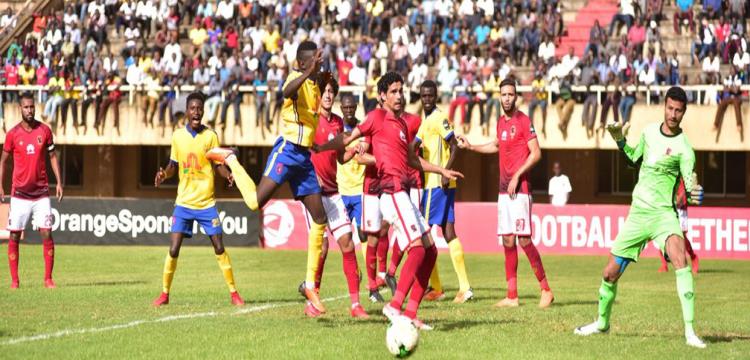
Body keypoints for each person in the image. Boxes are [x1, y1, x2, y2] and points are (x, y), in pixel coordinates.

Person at [316, 71, 463, 330]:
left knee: (430, 251)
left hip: (403, 192)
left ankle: (411, 313)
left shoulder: (403, 125)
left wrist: (441, 170)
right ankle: (395, 306)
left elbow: (411, 160)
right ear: (382, 95)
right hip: (391, 193)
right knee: (417, 249)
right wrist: (320, 148)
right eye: (394, 91)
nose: (399, 96)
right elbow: (347, 138)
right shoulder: (376, 117)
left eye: (401, 90)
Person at [574, 87, 707, 349]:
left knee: (680, 258)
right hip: (638, 213)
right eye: (670, 108)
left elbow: (690, 180)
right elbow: (633, 161)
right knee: (609, 273)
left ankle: (691, 332)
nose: (673, 114)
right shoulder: (648, 132)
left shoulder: (684, 148)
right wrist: (620, 141)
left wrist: (695, 192)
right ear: (665, 107)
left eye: (678, 110)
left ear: (684, 112)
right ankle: (602, 323)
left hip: (663, 216)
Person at [204, 41, 330, 315]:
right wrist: (309, 72)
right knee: (255, 202)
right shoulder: (295, 79)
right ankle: (232, 159)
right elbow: (286, 91)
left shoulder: (316, 83)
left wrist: (321, 74)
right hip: (287, 151)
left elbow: (323, 93)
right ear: (302, 63)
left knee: (320, 219)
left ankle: (311, 285)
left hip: (304, 159)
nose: (319, 63)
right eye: (314, 60)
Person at [457, 78, 554, 308]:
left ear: (516, 97)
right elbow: (495, 146)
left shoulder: (523, 121)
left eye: (511, 94)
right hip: (503, 191)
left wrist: (519, 175)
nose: (507, 98)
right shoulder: (501, 122)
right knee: (508, 241)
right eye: (504, 94)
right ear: (499, 97)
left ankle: (546, 290)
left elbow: (536, 153)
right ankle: (512, 296)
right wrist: (471, 146)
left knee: (524, 239)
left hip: (520, 190)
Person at [151, 92, 244, 307]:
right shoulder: (177, 136)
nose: (196, 112)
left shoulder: (211, 136)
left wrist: (228, 175)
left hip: (206, 203)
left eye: (199, 108)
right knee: (173, 249)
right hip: (183, 203)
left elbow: (218, 165)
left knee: (219, 246)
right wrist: (164, 175)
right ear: (186, 112)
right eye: (193, 108)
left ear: (203, 111)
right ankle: (164, 294)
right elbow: (173, 166)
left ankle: (234, 293)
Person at [297, 76, 368, 318]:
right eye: (324, 91)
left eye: (331, 92)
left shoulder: (338, 123)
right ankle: (313, 300)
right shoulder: (308, 119)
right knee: (323, 246)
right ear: (317, 94)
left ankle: (356, 305)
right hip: (313, 194)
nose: (327, 95)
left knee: (347, 244)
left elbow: (340, 157)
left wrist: (354, 150)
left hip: (334, 192)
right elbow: (299, 153)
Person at [416, 80, 474, 304]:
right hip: (442, 184)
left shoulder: (438, 118)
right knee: (449, 232)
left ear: (436, 96)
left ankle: (436, 287)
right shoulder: (427, 121)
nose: (427, 99)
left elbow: (455, 145)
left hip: (436, 185)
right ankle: (464, 287)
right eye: (424, 95)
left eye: (430, 95)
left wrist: (444, 171)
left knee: (423, 234)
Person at [0, 92, 63, 289]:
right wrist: (0, 185)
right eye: (26, 107)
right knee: (14, 236)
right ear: (20, 108)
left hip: (41, 193)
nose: (29, 110)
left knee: (47, 233)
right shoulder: (12, 134)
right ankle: (15, 281)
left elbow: (53, 157)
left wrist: (59, 182)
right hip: (19, 194)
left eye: (32, 107)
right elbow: (3, 161)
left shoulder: (44, 131)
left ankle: (48, 279)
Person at [658, 176, 699, 274]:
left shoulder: (681, 175)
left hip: (680, 209)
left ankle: (693, 257)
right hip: (667, 207)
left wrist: (676, 202)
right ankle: (664, 264)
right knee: (660, 234)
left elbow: (683, 194)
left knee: (682, 237)